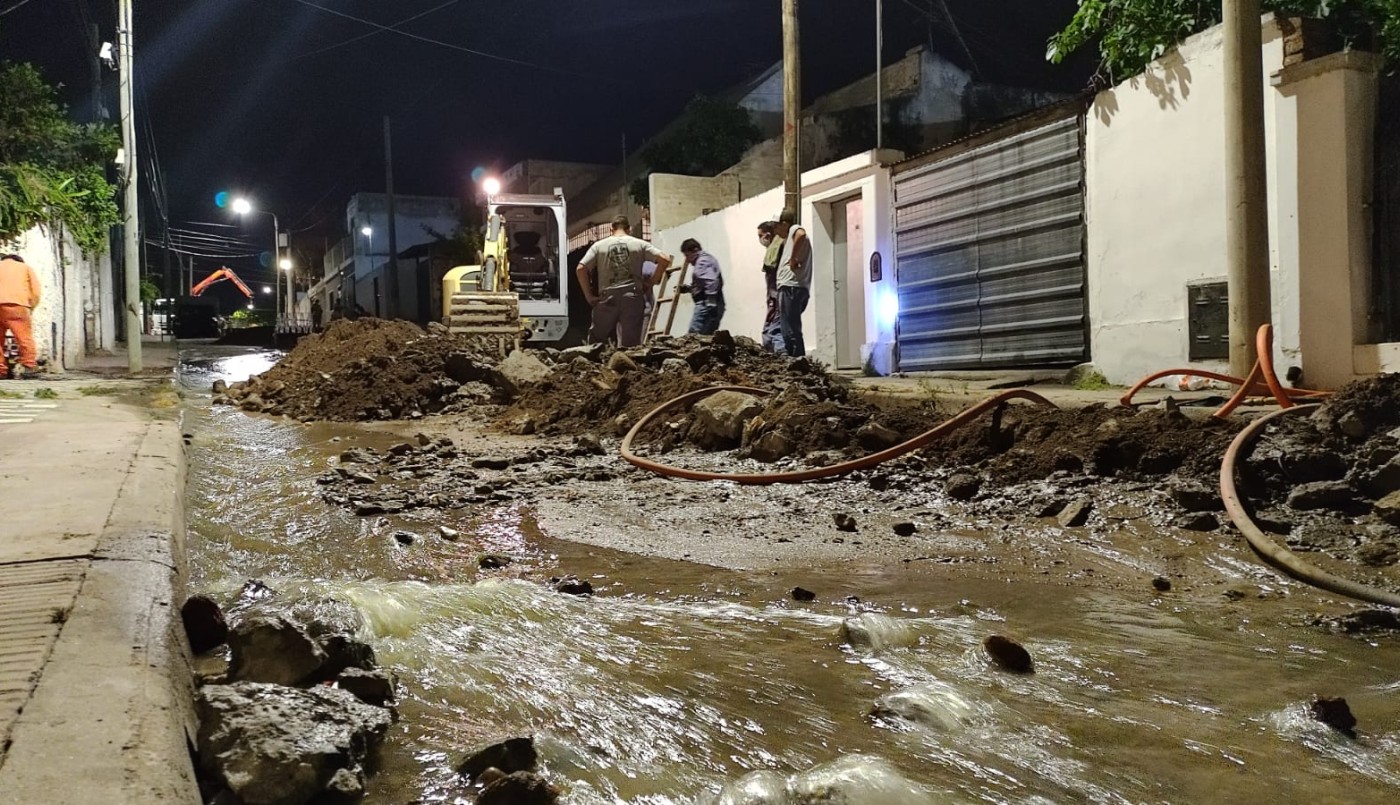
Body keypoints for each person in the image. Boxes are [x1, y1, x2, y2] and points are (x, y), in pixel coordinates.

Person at [576, 216, 672, 347]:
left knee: (596, 340)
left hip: (607, 296)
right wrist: (650, 282)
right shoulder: (639, 244)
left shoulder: (598, 246)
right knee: (630, 344)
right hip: (632, 297)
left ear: (611, 230)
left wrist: (588, 295)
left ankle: (593, 364)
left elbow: (581, 268)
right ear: (629, 229)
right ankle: (627, 365)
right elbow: (665, 259)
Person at [773, 209, 812, 357]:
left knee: (789, 327)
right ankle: (796, 358)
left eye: (777, 226)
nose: (776, 231)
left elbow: (801, 234)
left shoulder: (794, 230)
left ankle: (796, 359)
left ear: (784, 224)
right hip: (794, 286)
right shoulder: (789, 238)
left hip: (791, 286)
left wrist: (793, 258)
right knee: (790, 325)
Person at [0, 253, 41, 379]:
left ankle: (1, 370)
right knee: (24, 338)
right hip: (17, 306)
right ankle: (28, 367)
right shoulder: (25, 268)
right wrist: (31, 307)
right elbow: (35, 291)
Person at [678, 239, 725, 335]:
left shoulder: (702, 262)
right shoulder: (707, 259)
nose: (687, 260)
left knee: (694, 335)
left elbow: (711, 281)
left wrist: (711, 301)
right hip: (711, 302)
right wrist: (689, 289)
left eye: (687, 255)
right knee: (705, 336)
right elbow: (705, 283)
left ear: (695, 250)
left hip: (705, 304)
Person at [756, 221, 785, 354]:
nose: (760, 239)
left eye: (760, 235)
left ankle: (784, 360)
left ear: (767, 235)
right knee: (768, 334)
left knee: (774, 332)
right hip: (774, 299)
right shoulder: (774, 250)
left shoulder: (777, 249)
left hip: (777, 298)